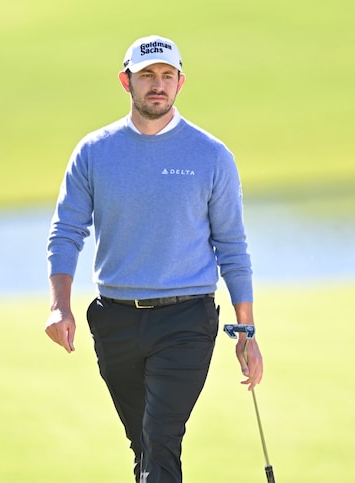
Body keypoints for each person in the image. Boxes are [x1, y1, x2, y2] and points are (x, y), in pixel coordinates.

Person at [44, 34, 264, 483]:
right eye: (147, 76)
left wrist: (247, 330)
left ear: (181, 83)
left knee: (161, 437)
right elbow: (66, 232)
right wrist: (59, 305)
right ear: (126, 82)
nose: (157, 85)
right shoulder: (94, 152)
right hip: (115, 320)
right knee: (144, 444)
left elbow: (232, 246)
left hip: (187, 319)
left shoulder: (211, 155)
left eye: (167, 76)